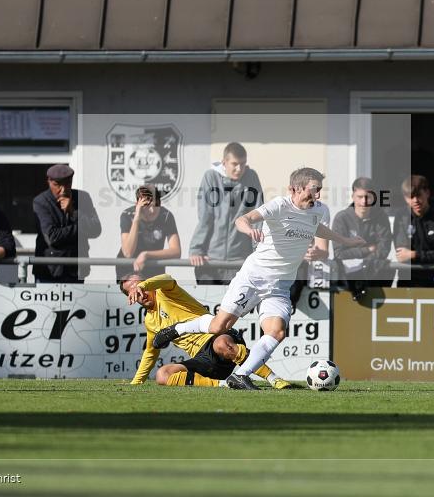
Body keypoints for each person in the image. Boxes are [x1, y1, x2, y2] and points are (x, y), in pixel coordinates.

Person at [152, 168, 366, 390]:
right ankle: (178, 329)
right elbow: (243, 219)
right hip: (253, 277)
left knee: (277, 331)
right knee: (219, 326)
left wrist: (346, 241)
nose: (317, 196)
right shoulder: (279, 205)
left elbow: (316, 227)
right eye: (313, 191)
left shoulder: (317, 210)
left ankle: (241, 375)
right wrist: (248, 229)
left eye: (319, 191)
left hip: (280, 286)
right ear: (294, 189)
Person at [120, 273, 291, 389]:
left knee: (221, 344)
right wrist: (136, 382)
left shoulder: (166, 293)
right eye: (133, 291)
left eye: (140, 286)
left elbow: (167, 278)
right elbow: (151, 352)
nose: (140, 292)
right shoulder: (150, 322)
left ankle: (273, 378)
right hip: (203, 359)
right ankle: (224, 384)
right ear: (131, 297)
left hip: (217, 335)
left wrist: (141, 285)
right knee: (162, 375)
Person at [189, 142, 263, 285]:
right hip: (211, 260)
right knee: (209, 306)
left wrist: (258, 253)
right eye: (234, 164)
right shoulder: (211, 177)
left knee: (234, 307)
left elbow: (257, 218)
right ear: (224, 162)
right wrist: (196, 249)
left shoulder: (251, 177)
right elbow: (205, 217)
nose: (239, 168)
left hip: (240, 261)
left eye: (243, 164)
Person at [33, 164, 102, 283]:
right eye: (57, 185)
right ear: (49, 182)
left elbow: (95, 230)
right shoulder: (41, 201)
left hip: (76, 270)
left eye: (67, 184)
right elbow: (52, 237)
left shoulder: (83, 197)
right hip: (49, 271)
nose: (63, 190)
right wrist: (80, 230)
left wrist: (74, 212)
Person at [332, 177, 394, 298]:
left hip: (376, 275)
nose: (364, 202)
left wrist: (365, 263)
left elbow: (384, 249)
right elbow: (339, 253)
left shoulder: (381, 217)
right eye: (360, 197)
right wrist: (367, 250)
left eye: (368, 197)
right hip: (347, 281)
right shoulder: (342, 218)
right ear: (353, 197)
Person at [392, 175, 434, 287]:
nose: (415, 201)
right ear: (405, 198)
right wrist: (427, 255)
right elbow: (402, 254)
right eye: (411, 197)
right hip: (408, 280)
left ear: (427, 193)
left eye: (418, 195)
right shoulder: (401, 217)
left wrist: (414, 254)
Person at [116, 185, 181, 282]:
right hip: (129, 271)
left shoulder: (166, 216)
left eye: (156, 205)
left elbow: (176, 251)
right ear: (138, 205)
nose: (152, 210)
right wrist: (137, 218)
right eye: (147, 205)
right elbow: (128, 253)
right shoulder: (127, 215)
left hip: (154, 268)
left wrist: (146, 255)